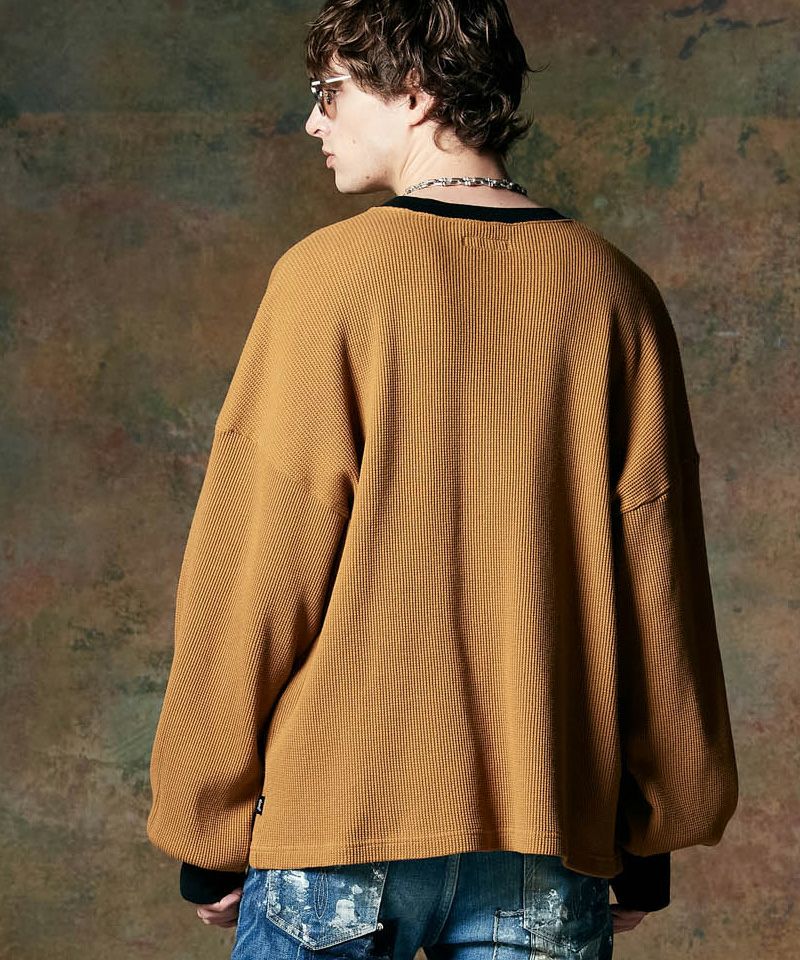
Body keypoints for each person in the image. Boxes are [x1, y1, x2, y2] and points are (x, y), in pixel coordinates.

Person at [146, 0, 739, 956]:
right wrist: (649, 832)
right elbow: (659, 586)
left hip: (339, 825)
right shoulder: (612, 291)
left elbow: (254, 573)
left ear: (415, 91)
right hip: (549, 825)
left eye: (330, 92)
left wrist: (204, 825)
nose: (313, 120)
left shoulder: (328, 280)